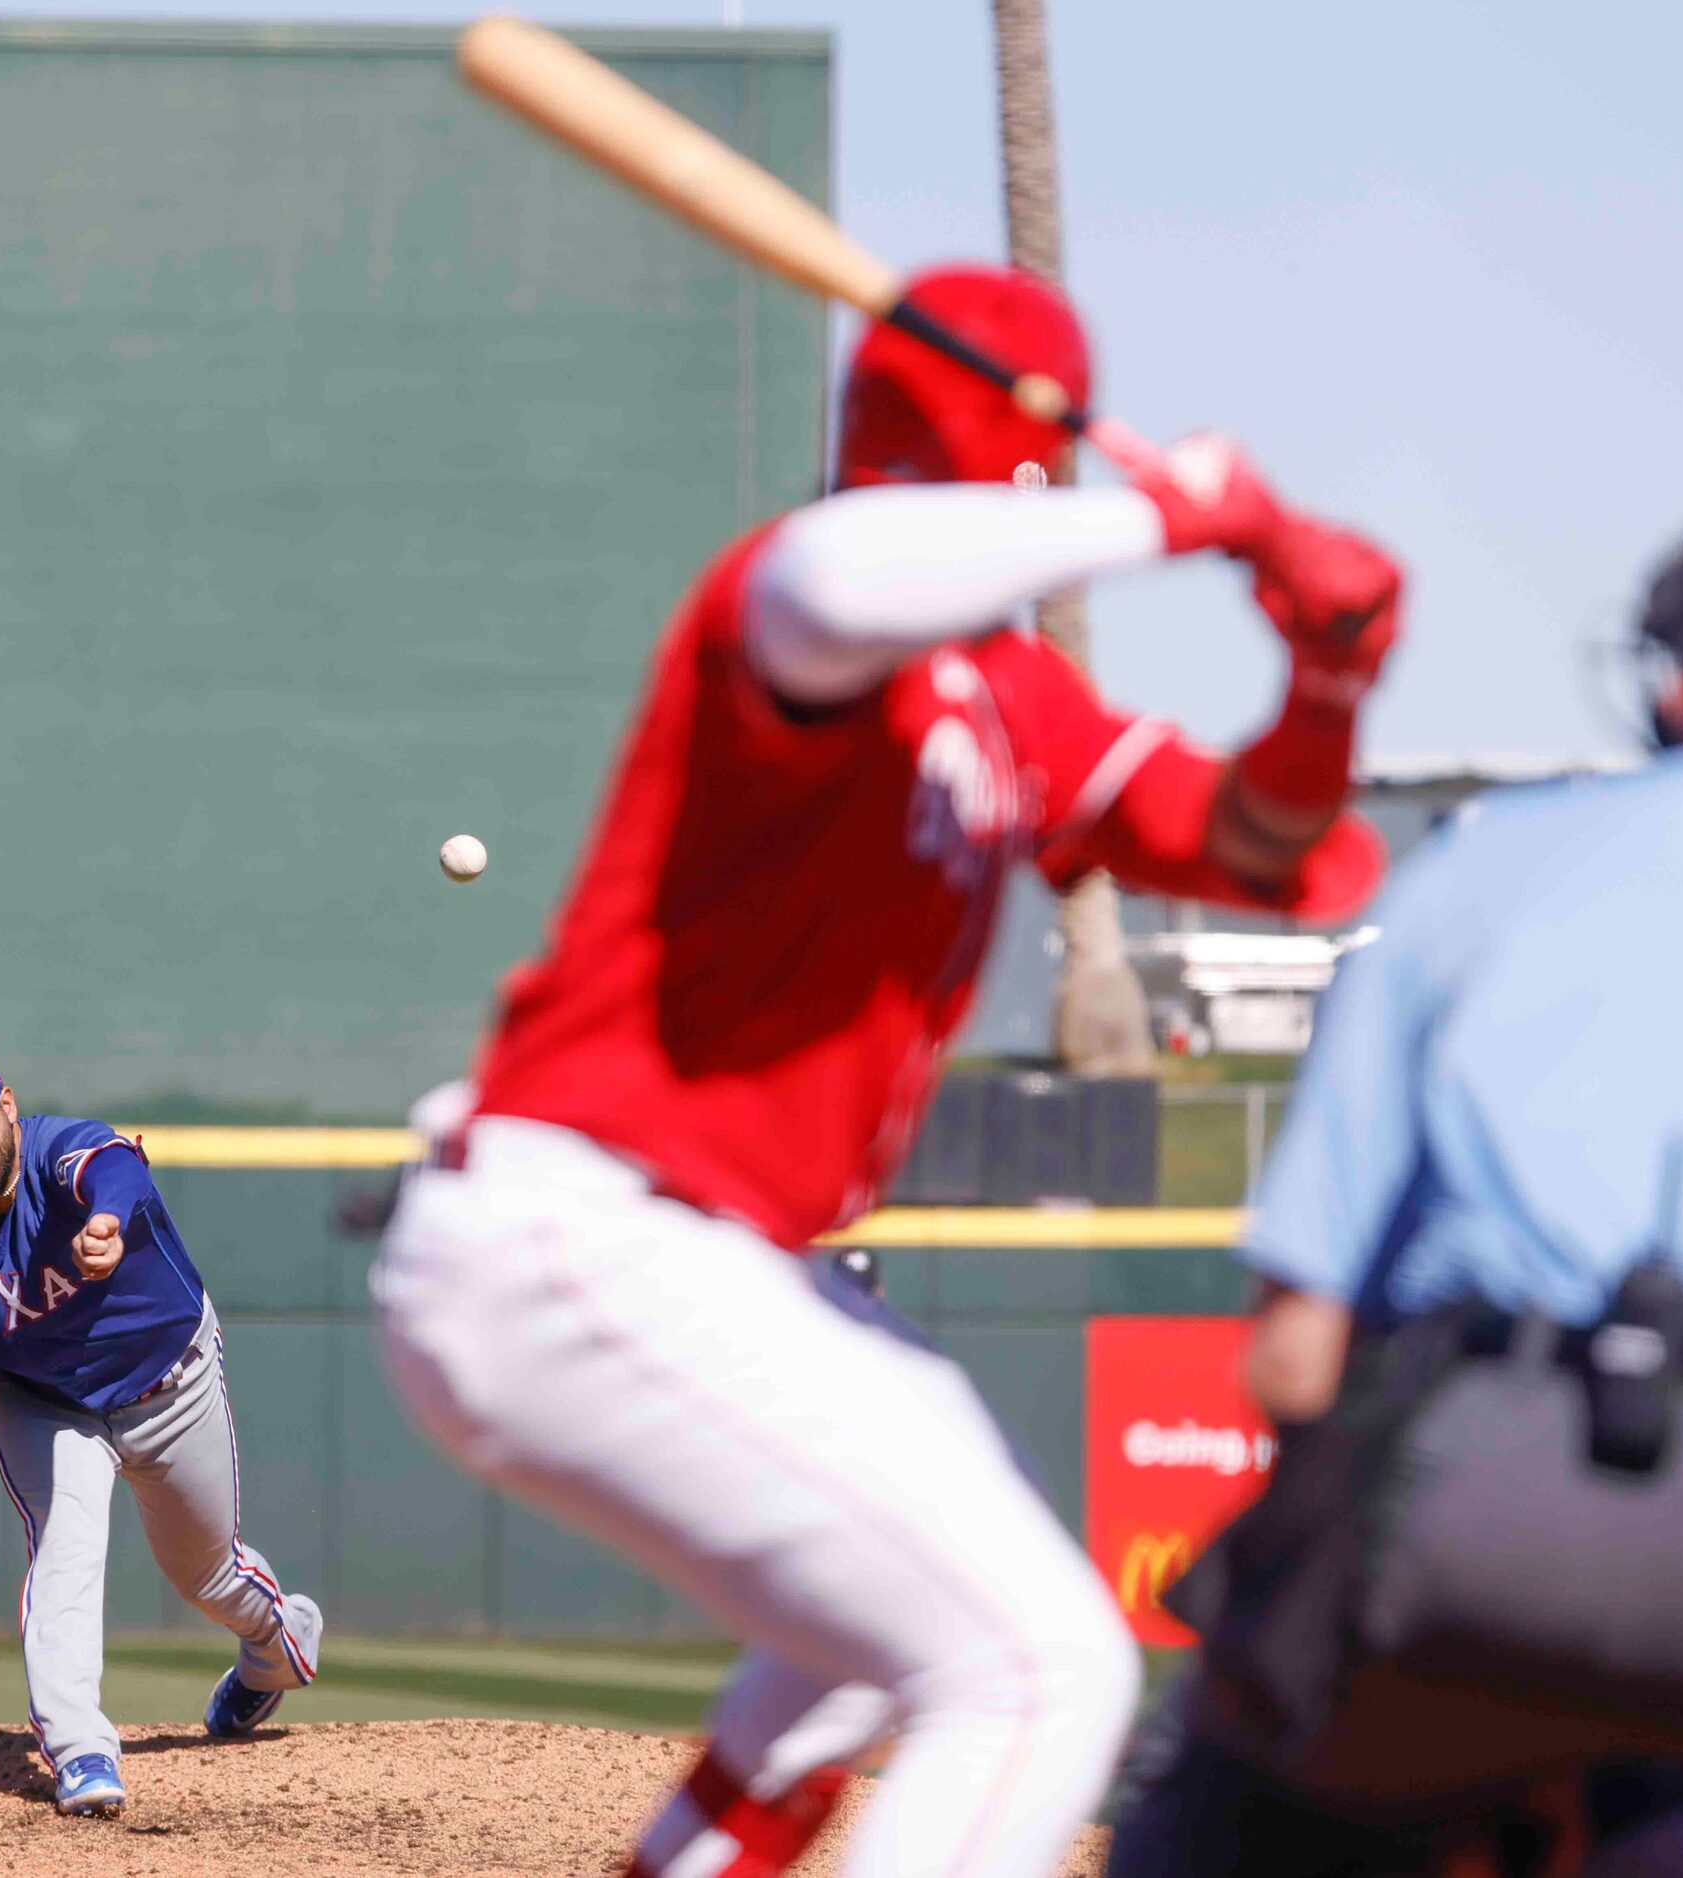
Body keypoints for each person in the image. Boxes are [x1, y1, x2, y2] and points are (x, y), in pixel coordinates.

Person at [372, 263, 1405, 1878]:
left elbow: (1266, 847)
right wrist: (1171, 522)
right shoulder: (795, 598)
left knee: (868, 1637)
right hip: (590, 1226)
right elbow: (841, 574)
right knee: (1041, 1664)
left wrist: (1325, 681)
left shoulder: (1013, 697)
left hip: (698, 1259)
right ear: (1034, 461)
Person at [1106, 465, 1683, 1875]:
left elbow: (1293, 1361)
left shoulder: (1492, 863)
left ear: (1681, 677)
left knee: (1232, 1801)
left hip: (1487, 1505)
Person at [0, 1040, 323, 1818]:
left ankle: (277, 1646)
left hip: (169, 1379)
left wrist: (110, 1222)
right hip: (45, 1403)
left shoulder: (62, 1153)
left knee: (206, 1575)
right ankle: (81, 1750)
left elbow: (117, 1166)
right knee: (66, 1547)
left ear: (7, 1104)